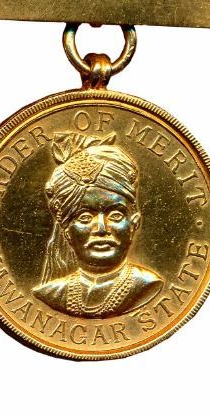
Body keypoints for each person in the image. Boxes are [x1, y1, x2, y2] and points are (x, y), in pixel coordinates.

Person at [32, 135, 162, 318]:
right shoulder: (50, 293)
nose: (101, 228)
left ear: (134, 223)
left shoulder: (147, 285)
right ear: (67, 230)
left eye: (115, 215)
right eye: (85, 217)